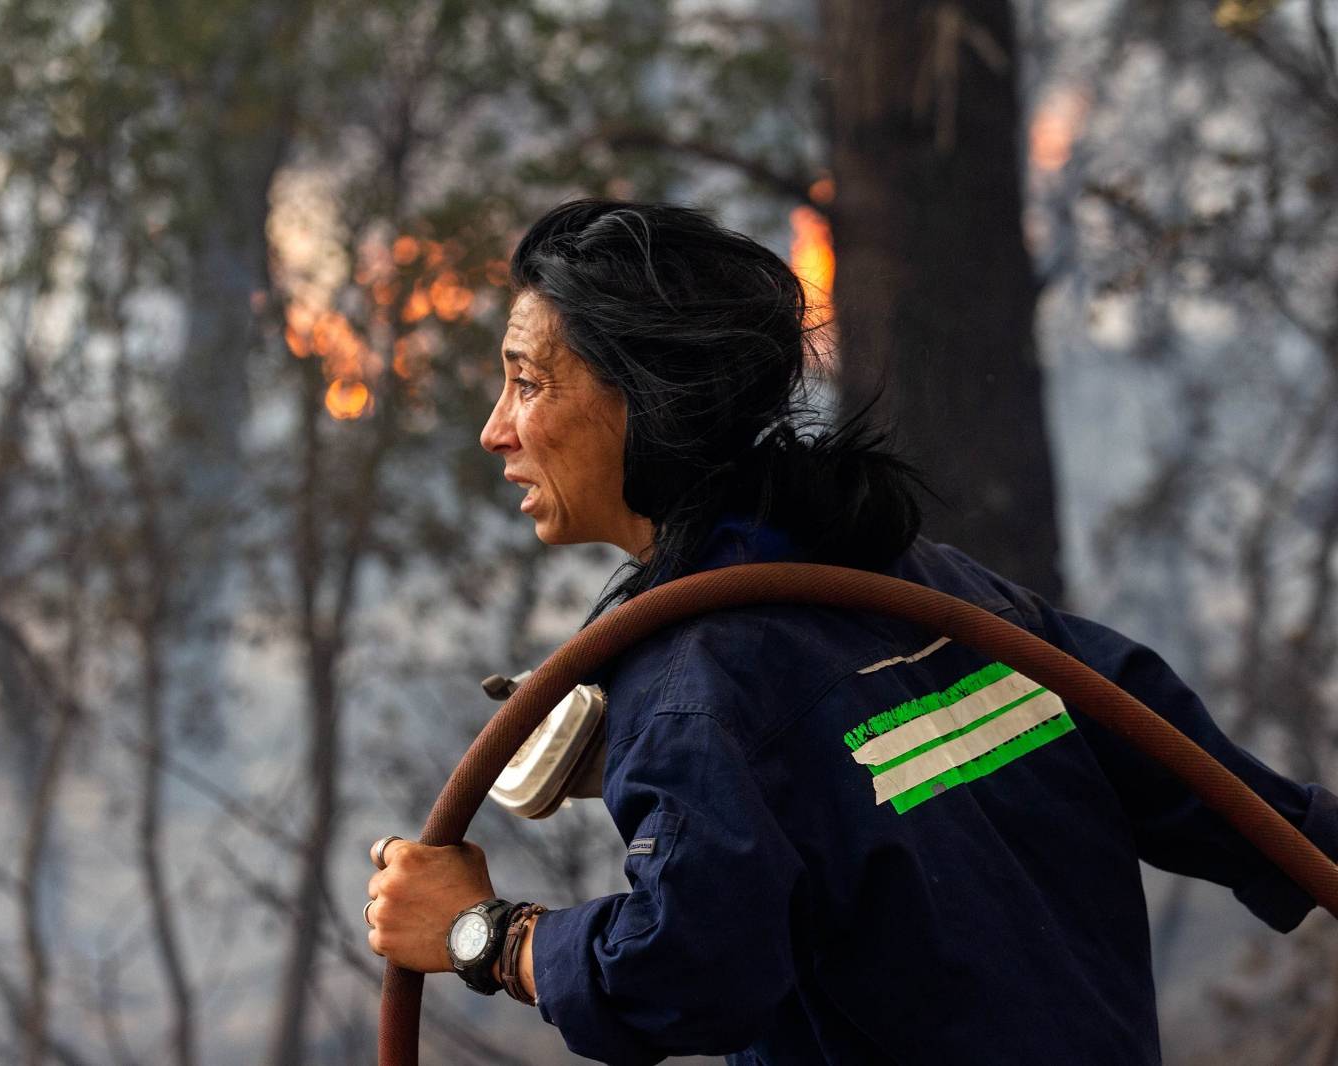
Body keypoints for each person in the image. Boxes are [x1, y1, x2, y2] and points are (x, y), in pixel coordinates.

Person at [363, 199, 1338, 1065]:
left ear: (644, 399)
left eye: (527, 381)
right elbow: (1219, 792)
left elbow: (685, 970)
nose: (496, 428)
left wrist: (481, 935)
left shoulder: (694, 695)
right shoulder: (939, 591)